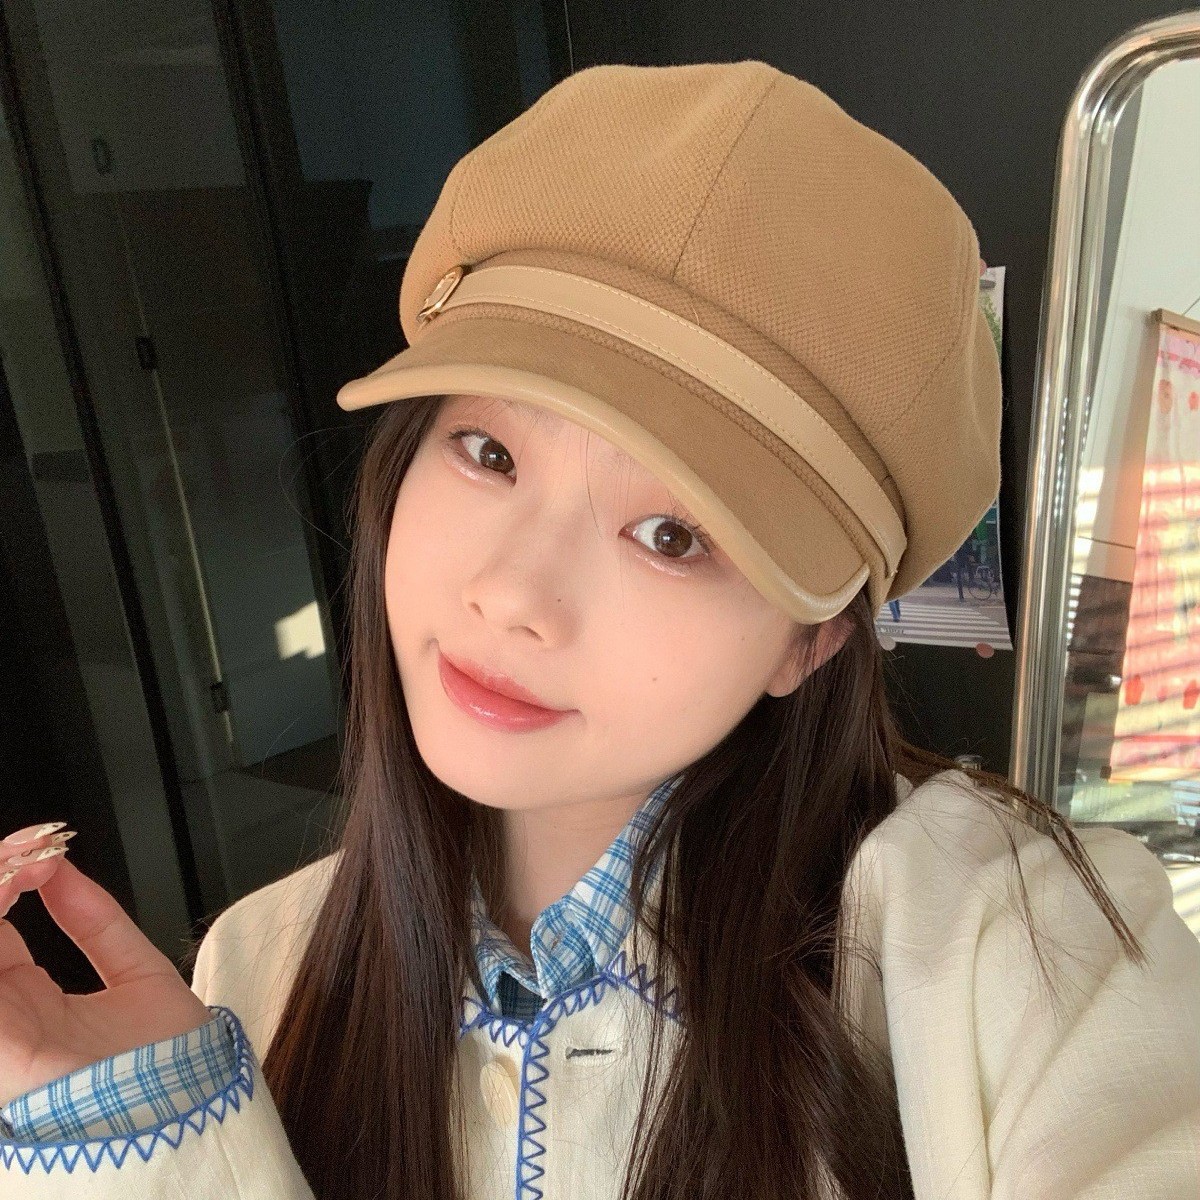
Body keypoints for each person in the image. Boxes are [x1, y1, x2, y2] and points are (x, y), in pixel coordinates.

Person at [2, 61, 1198, 1200]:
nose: (514, 593)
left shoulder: (1027, 952)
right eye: (489, 451)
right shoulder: (260, 963)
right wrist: (145, 1139)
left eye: (673, 534)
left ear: (811, 642)